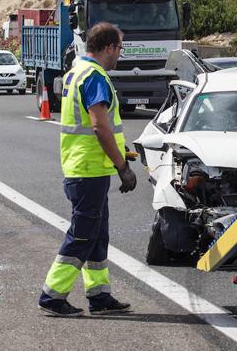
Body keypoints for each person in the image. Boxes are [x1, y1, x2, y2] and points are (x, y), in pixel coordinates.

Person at [38, 22, 137, 317]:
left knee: (96, 234)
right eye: (119, 47)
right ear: (108, 48)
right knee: (82, 234)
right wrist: (123, 166)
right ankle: (52, 296)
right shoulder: (94, 76)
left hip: (86, 166)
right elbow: (99, 126)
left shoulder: (77, 71)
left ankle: (99, 296)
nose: (120, 53)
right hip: (88, 168)